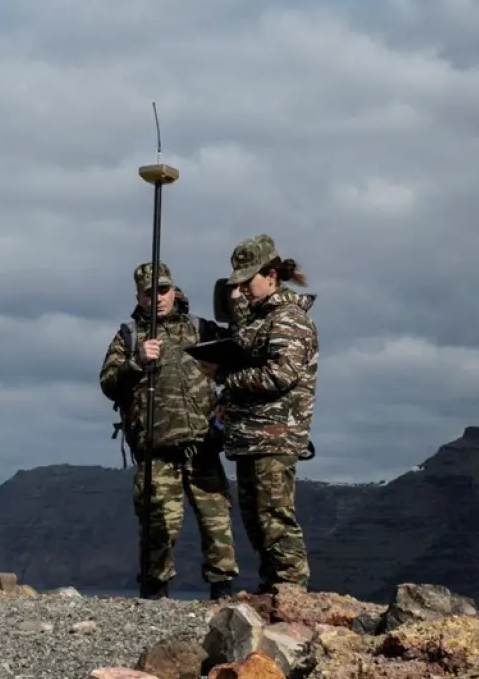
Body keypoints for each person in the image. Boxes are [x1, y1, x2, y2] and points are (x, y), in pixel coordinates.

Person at [99, 262, 240, 601]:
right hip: (156, 451)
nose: (158, 298)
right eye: (151, 293)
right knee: (158, 523)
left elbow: (236, 360)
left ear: (174, 290)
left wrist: (224, 412)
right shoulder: (129, 336)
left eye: (164, 290)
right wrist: (136, 362)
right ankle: (155, 591)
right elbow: (109, 383)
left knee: (216, 521)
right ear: (140, 297)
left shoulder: (201, 329)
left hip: (202, 445)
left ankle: (223, 592)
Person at [210, 234, 318, 593]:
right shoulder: (260, 318)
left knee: (275, 520)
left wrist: (225, 375)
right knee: (257, 522)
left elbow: (280, 374)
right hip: (250, 435)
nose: (240, 291)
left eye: (247, 282)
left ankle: (292, 594)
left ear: (271, 275)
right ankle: (274, 591)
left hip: (274, 436)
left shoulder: (288, 319)